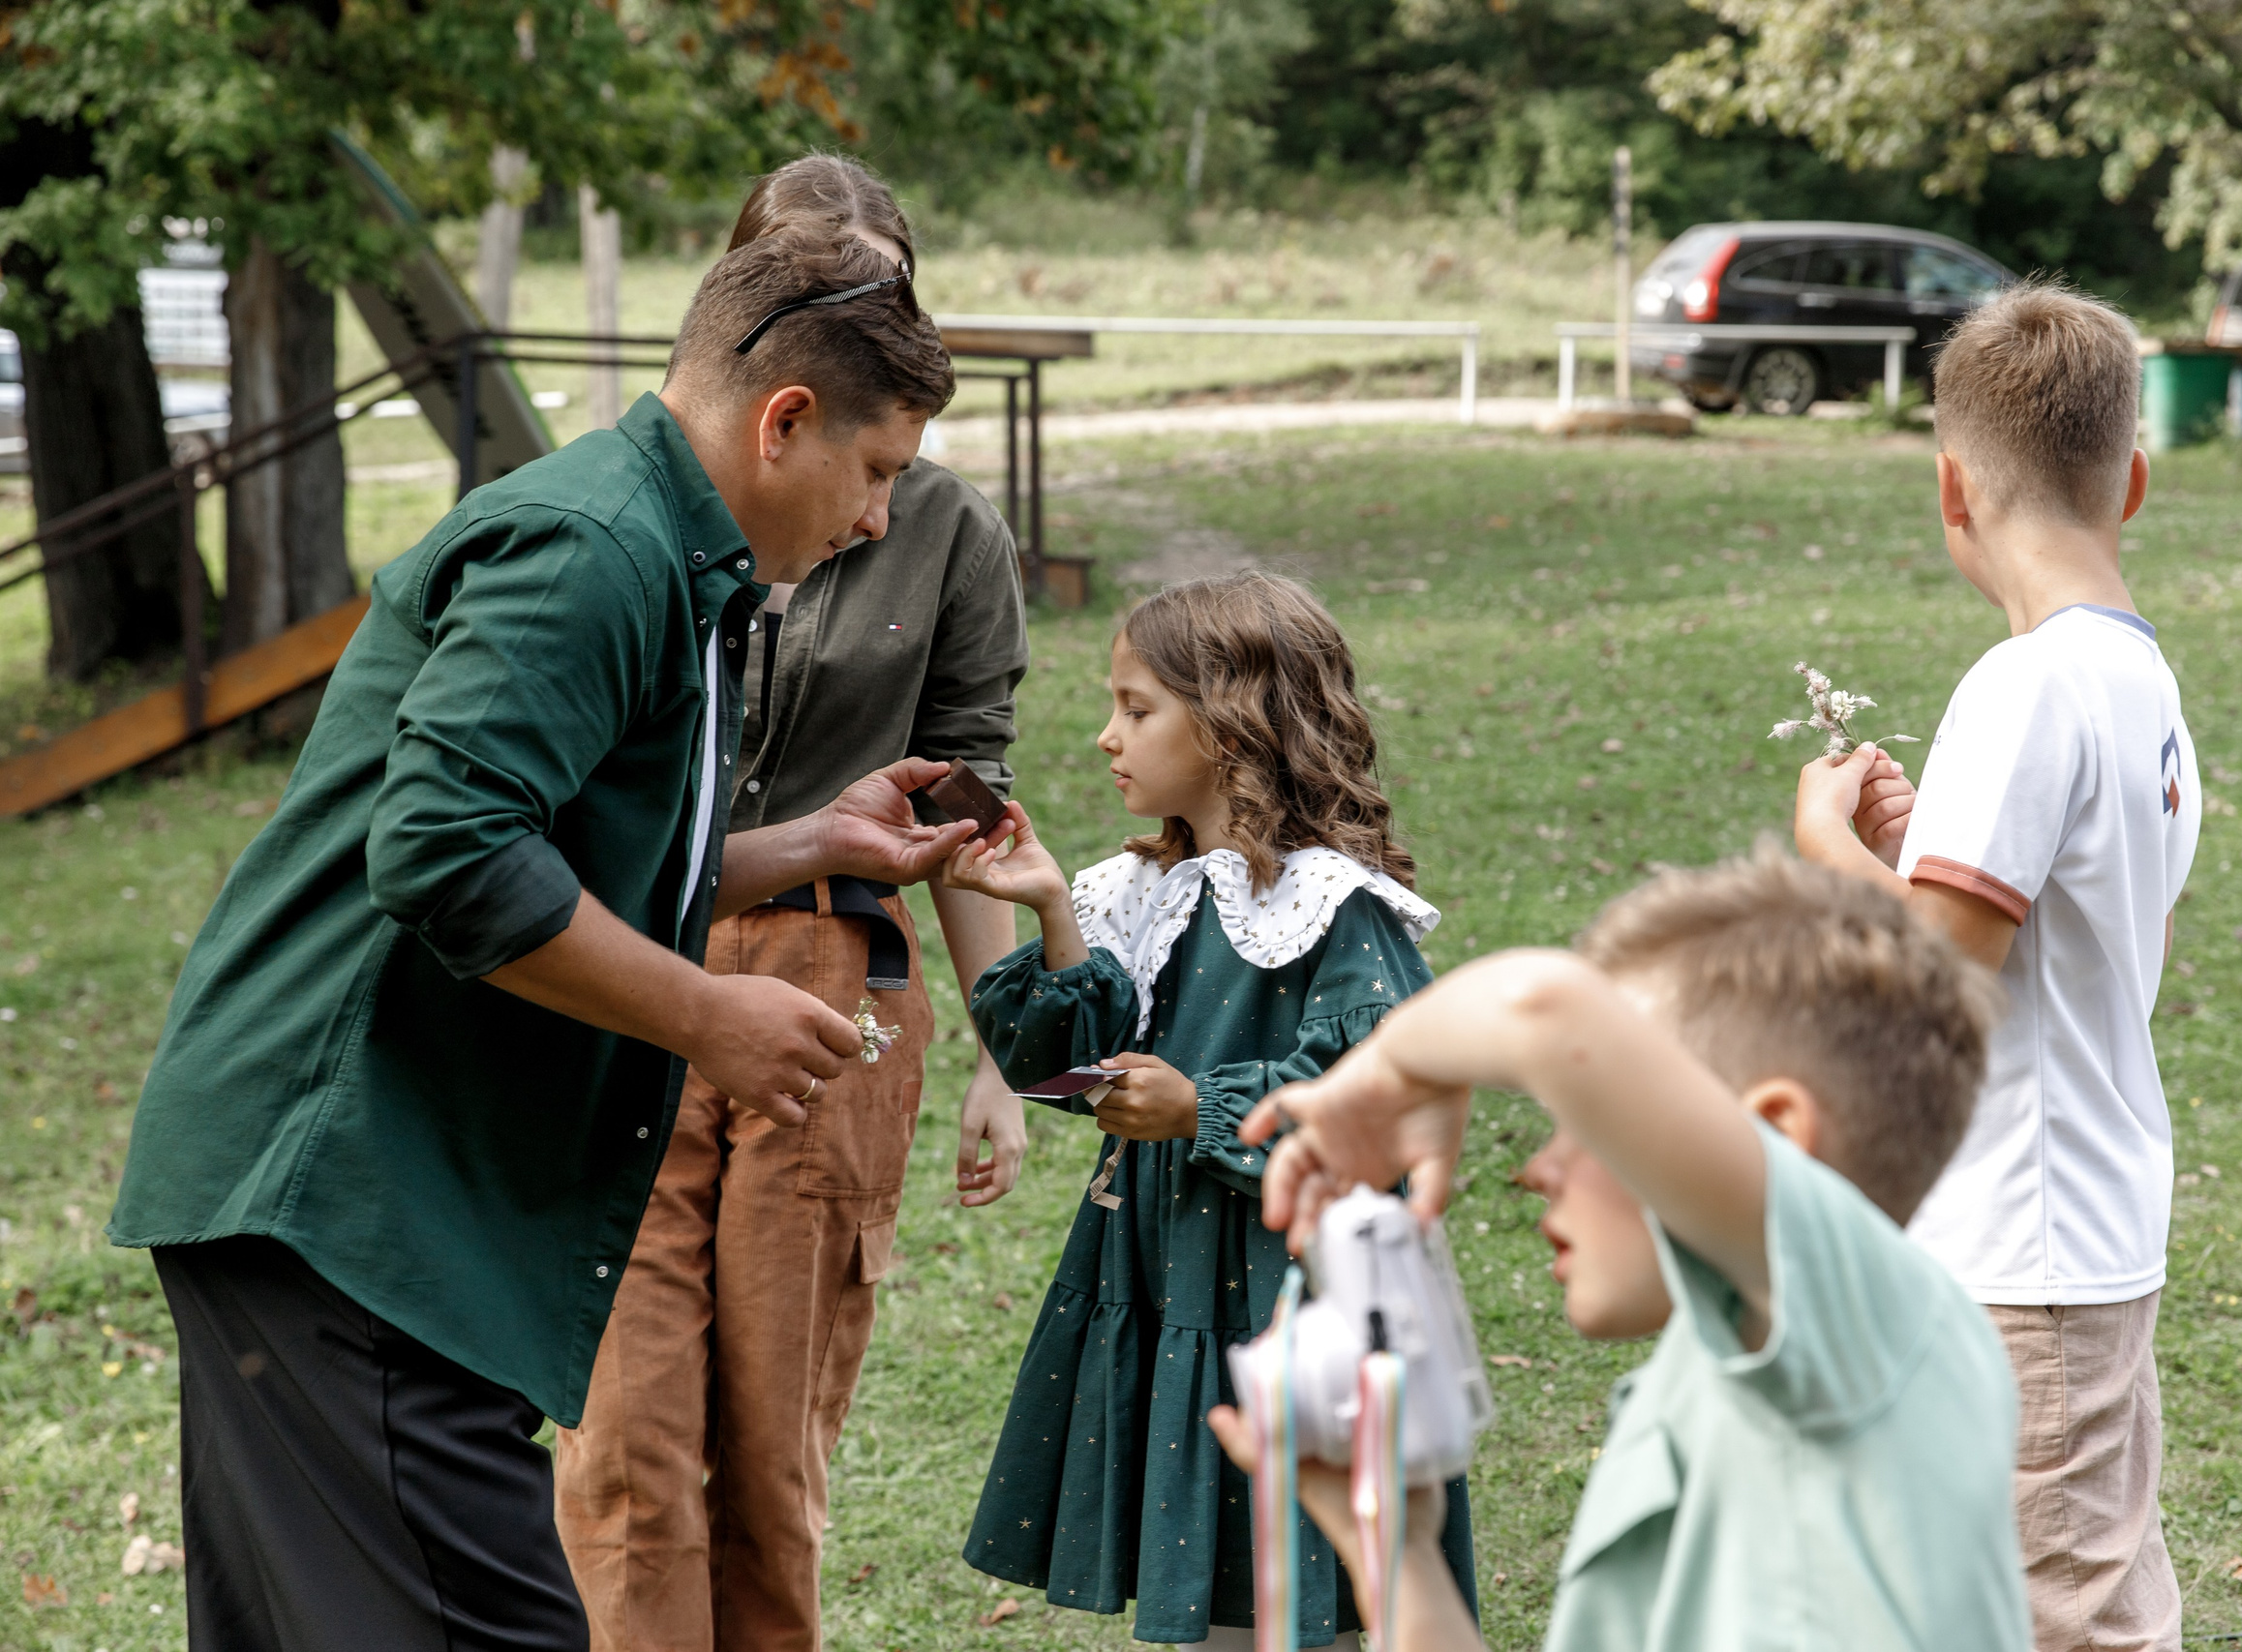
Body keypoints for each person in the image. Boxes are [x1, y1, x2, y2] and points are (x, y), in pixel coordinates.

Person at [106, 225, 982, 1650]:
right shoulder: (595, 549)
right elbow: (448, 854)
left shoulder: (664, 552)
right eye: (878, 470)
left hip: (358, 1216)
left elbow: (565, 859)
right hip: (338, 1201)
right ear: (785, 420)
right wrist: (707, 1016)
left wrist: (812, 842)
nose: (881, 518)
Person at [552, 154, 1031, 1652]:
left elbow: (970, 801)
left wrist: (1006, 1052)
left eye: (879, 278)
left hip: (833, 987)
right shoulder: (634, 514)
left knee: (772, 1441)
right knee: (622, 1439)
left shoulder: (943, 531)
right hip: (630, 963)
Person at [1212, 851, 2027, 1651]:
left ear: (1773, 1138)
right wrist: (1394, 1545)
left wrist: (1391, 1067)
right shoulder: (1700, 1384)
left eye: (1591, 1120)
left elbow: (1546, 1009)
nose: (1538, 1169)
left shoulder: (1880, 1336)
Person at [941, 571, 1478, 1647]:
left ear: (1234, 725)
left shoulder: (1332, 907)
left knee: (1303, 1579)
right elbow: (1068, 1061)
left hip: (1287, 1292)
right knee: (1219, 1570)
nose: (1105, 735)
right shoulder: (1143, 890)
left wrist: (1206, 1109)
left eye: (1136, 708)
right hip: (1165, 1264)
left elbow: (1389, 1094)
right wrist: (1050, 906)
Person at [1792, 280, 2201, 1651]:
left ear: (1953, 490)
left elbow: (1940, 965)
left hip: (2027, 1250)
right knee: (2098, 1591)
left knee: (2046, 1614)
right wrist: (1924, 858)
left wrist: (1824, 847)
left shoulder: (2022, 686)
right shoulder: (2140, 678)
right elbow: (2042, 930)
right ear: (2132, 479)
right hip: (2087, 1219)